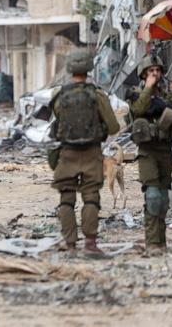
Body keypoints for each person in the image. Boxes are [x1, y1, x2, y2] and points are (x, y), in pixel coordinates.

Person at [50, 48, 120, 256]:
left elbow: (56, 122)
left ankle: (70, 246)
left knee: (66, 200)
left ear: (70, 68)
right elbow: (114, 127)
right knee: (91, 198)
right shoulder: (97, 95)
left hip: (67, 153)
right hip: (91, 153)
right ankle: (90, 244)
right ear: (89, 68)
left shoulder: (59, 95)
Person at [127, 54, 172, 256]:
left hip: (164, 150)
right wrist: (148, 87)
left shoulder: (167, 98)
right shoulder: (137, 93)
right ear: (144, 74)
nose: (155, 74)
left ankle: (160, 243)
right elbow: (138, 110)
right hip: (147, 152)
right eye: (151, 71)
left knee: (163, 199)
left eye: (157, 70)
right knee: (153, 196)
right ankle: (152, 243)